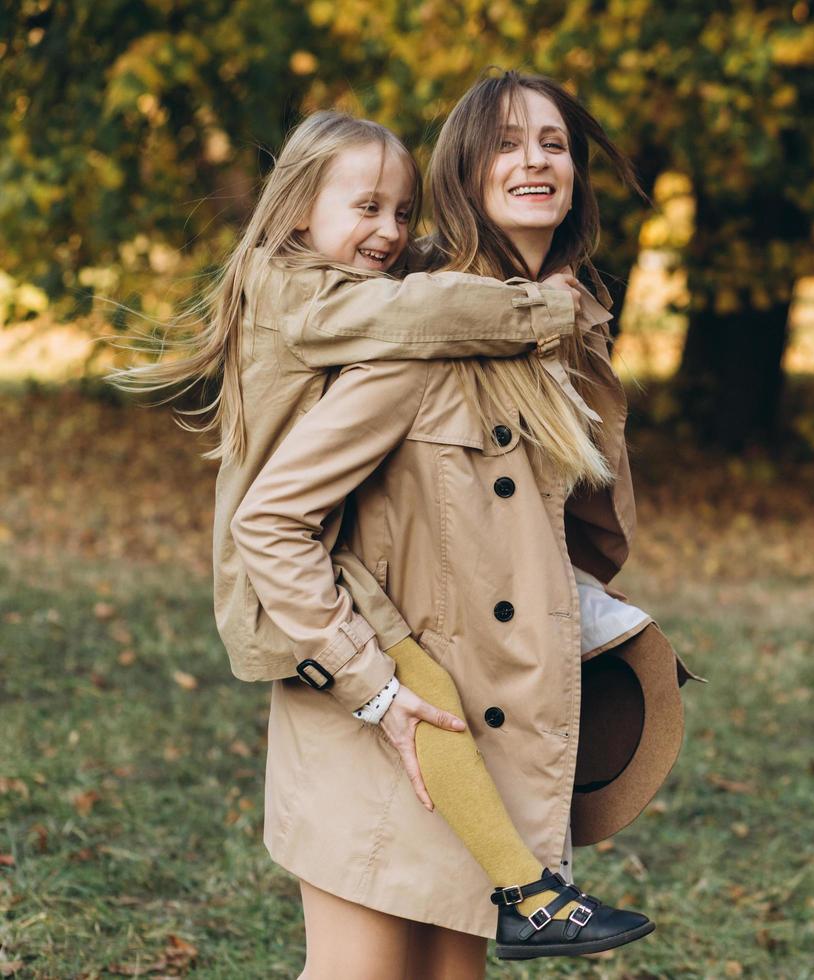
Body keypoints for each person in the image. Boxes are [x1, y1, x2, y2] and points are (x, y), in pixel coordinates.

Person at [113, 104, 669, 975]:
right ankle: (530, 894)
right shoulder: (387, 321)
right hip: (348, 641)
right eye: (507, 145)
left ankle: (529, 892)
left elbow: (573, 528)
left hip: (475, 708)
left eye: (554, 144)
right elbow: (275, 519)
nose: (387, 229)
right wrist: (367, 678)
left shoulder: (522, 319)